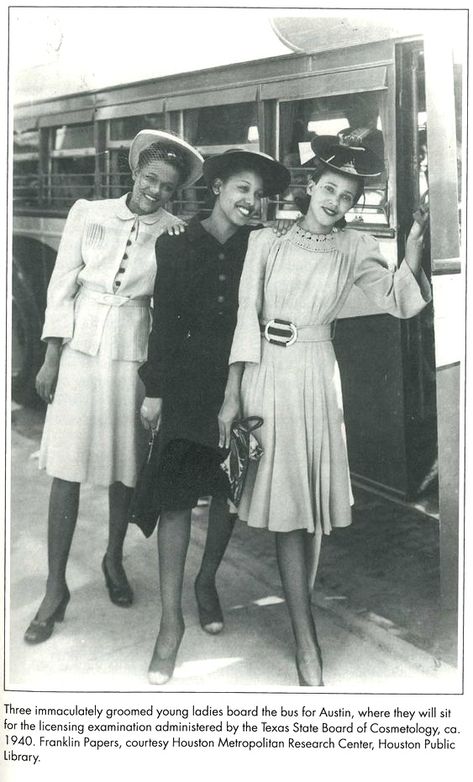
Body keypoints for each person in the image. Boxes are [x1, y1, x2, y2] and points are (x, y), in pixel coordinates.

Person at [218, 135, 431, 686]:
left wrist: (411, 250)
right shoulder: (265, 241)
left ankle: (299, 618)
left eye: (347, 196)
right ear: (312, 187)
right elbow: (245, 317)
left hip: (317, 374)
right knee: (289, 509)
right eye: (329, 189)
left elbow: (398, 300)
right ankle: (304, 632)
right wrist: (233, 392)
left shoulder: (357, 246)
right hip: (267, 373)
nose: (335, 202)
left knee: (310, 507)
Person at [24, 130, 204, 645]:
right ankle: (55, 588)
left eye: (167, 187)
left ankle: (113, 559)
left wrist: (161, 382)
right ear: (134, 173)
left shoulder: (175, 233)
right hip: (81, 350)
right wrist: (51, 355)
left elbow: (169, 309)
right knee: (67, 468)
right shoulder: (89, 212)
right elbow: (63, 283)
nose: (155, 192)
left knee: (126, 469)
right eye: (150, 179)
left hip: (134, 356)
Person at [139, 149, 291, 684]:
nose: (251, 202)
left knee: (229, 491)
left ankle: (207, 581)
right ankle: (169, 625)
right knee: (177, 499)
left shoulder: (262, 246)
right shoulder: (175, 244)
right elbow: (161, 324)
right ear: (219, 186)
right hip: (185, 386)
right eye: (242, 189)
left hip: (243, 383)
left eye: (259, 195)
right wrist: (154, 390)